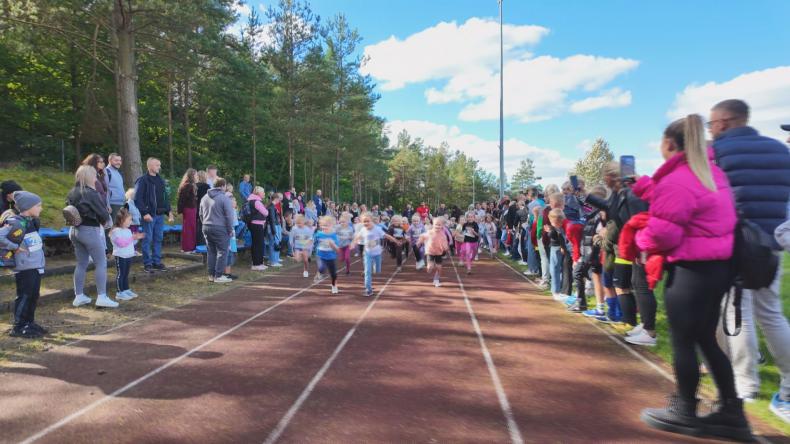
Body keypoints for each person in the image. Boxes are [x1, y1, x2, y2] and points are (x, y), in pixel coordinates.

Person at [636, 114, 750, 441]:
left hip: (690, 271)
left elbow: (663, 234)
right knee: (704, 338)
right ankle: (732, 411)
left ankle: (685, 409)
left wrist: (642, 241)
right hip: (718, 269)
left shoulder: (679, 180)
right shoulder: (712, 174)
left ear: (669, 144)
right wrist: (646, 187)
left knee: (683, 340)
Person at [711, 100, 790, 418]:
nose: (712, 129)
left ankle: (744, 384)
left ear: (725, 122)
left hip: (735, 240)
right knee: (771, 313)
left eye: (712, 123)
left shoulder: (718, 153)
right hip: (771, 241)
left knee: (735, 312)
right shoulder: (779, 150)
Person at [67, 165, 117, 308]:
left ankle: (79, 296)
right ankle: (102, 296)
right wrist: (107, 221)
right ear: (89, 177)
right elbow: (104, 214)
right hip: (90, 230)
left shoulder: (72, 192)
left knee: (81, 263)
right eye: (94, 175)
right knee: (101, 262)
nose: (96, 178)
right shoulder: (91, 193)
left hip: (74, 230)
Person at [0, 191, 45, 338]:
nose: (41, 208)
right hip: (25, 267)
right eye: (38, 206)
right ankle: (18, 326)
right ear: (28, 207)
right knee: (25, 295)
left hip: (35, 265)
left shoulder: (31, 221)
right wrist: (14, 247)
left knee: (33, 295)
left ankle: (29, 323)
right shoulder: (15, 222)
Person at [134, 158, 173, 273]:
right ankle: (148, 263)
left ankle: (157, 262)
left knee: (158, 238)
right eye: (157, 165)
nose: (159, 167)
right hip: (149, 215)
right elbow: (138, 199)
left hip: (160, 215)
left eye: (159, 165)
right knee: (148, 239)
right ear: (150, 166)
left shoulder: (161, 180)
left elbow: (165, 197)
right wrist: (144, 213)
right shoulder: (143, 180)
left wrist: (169, 211)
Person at [352, 212, 397, 296]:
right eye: (364, 222)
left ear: (372, 221)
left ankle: (373, 268)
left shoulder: (377, 229)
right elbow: (357, 237)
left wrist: (395, 240)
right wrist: (352, 243)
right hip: (367, 253)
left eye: (367, 221)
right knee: (367, 271)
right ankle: (368, 289)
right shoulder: (363, 229)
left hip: (377, 253)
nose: (366, 223)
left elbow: (386, 235)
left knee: (377, 270)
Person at [200, 178, 234, 283]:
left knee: (211, 252)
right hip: (220, 228)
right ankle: (218, 275)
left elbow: (200, 214)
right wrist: (230, 229)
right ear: (223, 186)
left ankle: (211, 275)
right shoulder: (224, 198)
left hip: (206, 226)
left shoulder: (204, 197)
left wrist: (204, 223)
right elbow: (229, 216)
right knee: (222, 251)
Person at [109, 208, 143, 302]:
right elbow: (121, 243)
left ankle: (126, 289)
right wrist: (132, 238)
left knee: (126, 274)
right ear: (121, 220)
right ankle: (119, 293)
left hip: (128, 256)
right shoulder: (115, 231)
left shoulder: (128, 230)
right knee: (121, 274)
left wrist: (136, 238)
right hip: (120, 256)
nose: (131, 222)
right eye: (129, 220)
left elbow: (130, 243)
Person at [417, 217, 451, 287]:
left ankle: (436, 280)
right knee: (430, 268)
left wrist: (446, 248)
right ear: (433, 225)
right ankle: (429, 267)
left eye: (439, 225)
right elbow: (422, 236)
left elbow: (445, 243)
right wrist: (419, 242)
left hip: (438, 253)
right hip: (430, 252)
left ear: (442, 226)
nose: (437, 226)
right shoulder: (429, 232)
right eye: (436, 224)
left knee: (439, 267)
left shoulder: (443, 235)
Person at [315, 216, 342, 294]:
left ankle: (334, 285)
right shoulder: (319, 234)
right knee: (322, 268)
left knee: (333, 274)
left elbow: (337, 250)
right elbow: (312, 240)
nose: (324, 227)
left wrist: (332, 244)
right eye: (323, 225)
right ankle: (319, 273)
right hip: (321, 255)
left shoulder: (334, 236)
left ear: (331, 226)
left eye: (326, 225)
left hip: (331, 257)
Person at [246, 186, 269, 271]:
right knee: (258, 244)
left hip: (254, 224)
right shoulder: (257, 202)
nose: (264, 194)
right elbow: (266, 213)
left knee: (258, 244)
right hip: (257, 224)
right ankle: (256, 264)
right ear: (258, 193)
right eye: (263, 192)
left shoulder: (251, 200)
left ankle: (259, 263)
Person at [177, 168, 198, 253]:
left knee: (192, 228)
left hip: (192, 209)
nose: (197, 176)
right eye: (195, 174)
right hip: (189, 209)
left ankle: (191, 247)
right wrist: (180, 210)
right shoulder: (187, 186)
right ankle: (187, 248)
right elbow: (182, 200)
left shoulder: (192, 185)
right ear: (192, 176)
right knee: (188, 229)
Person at [106, 153, 125, 222]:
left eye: (120, 161)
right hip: (112, 205)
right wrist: (107, 204)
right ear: (110, 161)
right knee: (112, 229)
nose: (119, 162)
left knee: (118, 228)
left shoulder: (118, 173)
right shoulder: (106, 172)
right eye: (116, 160)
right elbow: (105, 190)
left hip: (120, 204)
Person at [266, 193, 284, 267]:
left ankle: (272, 260)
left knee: (272, 243)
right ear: (276, 199)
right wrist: (274, 230)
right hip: (273, 226)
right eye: (279, 199)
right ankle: (273, 261)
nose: (279, 200)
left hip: (273, 226)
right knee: (274, 243)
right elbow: (272, 220)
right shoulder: (272, 207)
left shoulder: (271, 206)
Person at [195, 171, 210, 247]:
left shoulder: (194, 186)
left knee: (197, 226)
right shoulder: (206, 186)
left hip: (195, 208)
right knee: (202, 226)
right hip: (204, 208)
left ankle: (196, 243)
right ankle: (202, 243)